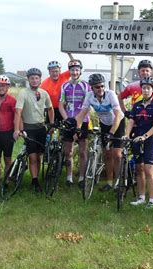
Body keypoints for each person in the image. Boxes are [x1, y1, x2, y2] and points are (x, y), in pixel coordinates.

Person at [75, 73, 124, 192]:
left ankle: (118, 183)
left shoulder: (111, 94)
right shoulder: (89, 96)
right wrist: (78, 129)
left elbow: (118, 115)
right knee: (107, 154)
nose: (101, 89)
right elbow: (81, 115)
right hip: (104, 124)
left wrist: (111, 133)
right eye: (97, 87)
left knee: (117, 155)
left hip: (118, 124)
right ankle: (109, 182)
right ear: (92, 88)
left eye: (102, 86)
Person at [14, 68, 54, 193]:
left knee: (39, 156)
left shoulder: (44, 93)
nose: (34, 80)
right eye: (32, 78)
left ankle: (35, 176)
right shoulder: (23, 93)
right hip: (29, 128)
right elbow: (18, 112)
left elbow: (50, 108)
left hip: (41, 128)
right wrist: (17, 129)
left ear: (40, 79)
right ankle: (35, 180)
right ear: (28, 79)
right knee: (32, 157)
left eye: (37, 78)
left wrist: (51, 124)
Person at [123, 77, 153, 208]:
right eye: (144, 88)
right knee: (139, 169)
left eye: (148, 88)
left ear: (152, 90)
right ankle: (141, 197)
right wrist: (127, 135)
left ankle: (151, 199)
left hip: (149, 139)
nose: (145, 90)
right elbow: (132, 122)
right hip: (136, 138)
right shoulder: (136, 105)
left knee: (148, 169)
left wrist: (145, 136)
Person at [58, 59, 91, 188]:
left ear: (80, 71)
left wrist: (78, 119)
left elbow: (87, 106)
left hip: (82, 121)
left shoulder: (85, 86)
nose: (75, 72)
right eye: (72, 70)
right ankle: (69, 177)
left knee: (82, 151)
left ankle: (82, 178)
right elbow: (61, 105)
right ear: (69, 71)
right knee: (68, 152)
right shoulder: (64, 86)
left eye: (77, 70)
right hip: (69, 120)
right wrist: (66, 119)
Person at [0, 75, 16, 187]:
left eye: (4, 86)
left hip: (8, 133)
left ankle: (6, 182)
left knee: (7, 159)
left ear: (8, 87)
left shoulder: (12, 100)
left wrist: (18, 130)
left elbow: (17, 116)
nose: (1, 88)